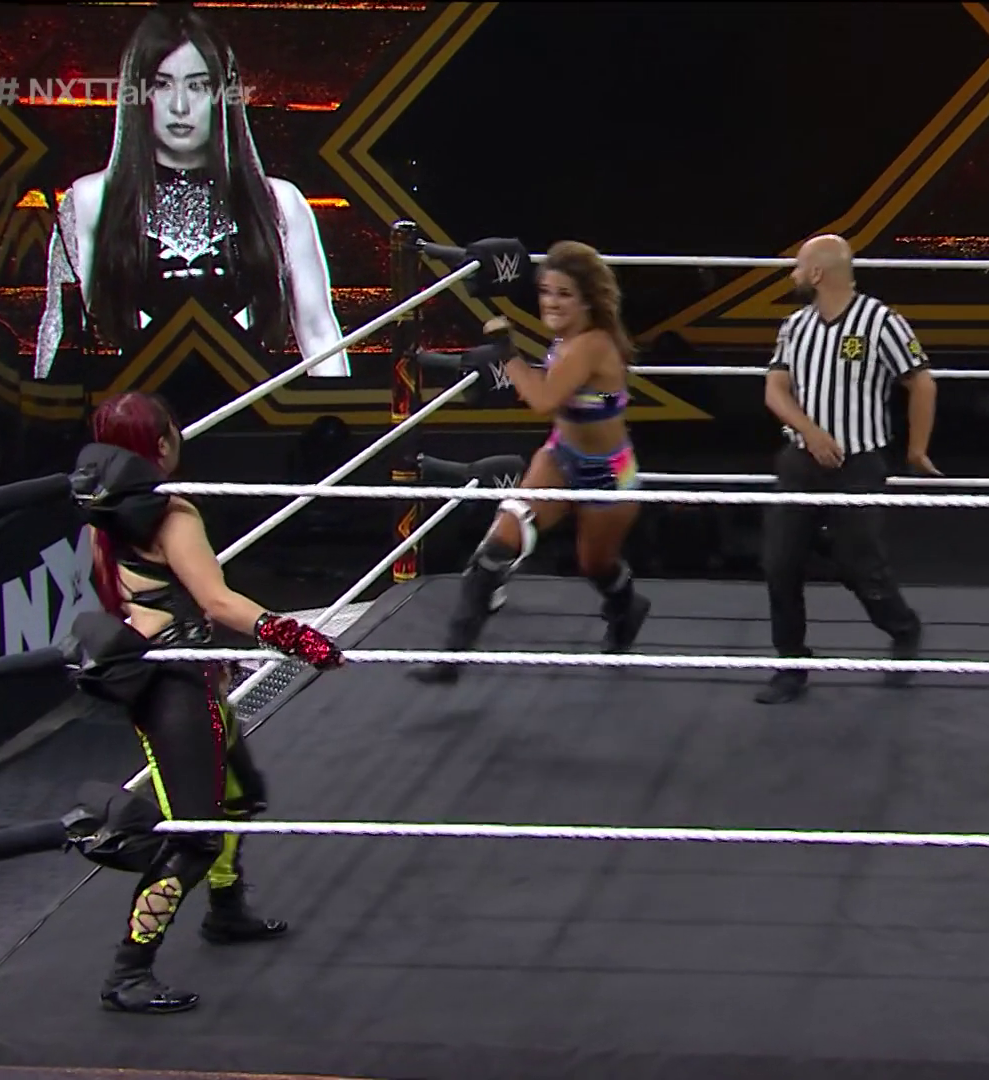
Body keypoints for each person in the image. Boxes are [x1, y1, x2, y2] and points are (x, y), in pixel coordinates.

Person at [74, 390, 344, 1014]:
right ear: (162, 444)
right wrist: (298, 637)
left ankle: (226, 908)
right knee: (195, 833)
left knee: (240, 793)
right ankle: (129, 970)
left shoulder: (98, 518)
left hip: (179, 672)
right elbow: (217, 601)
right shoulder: (172, 515)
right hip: (175, 686)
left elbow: (133, 603)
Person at [34, 4, 351, 379]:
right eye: (161, 84)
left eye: (198, 86)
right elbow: (58, 333)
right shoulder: (90, 202)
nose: (180, 106)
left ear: (223, 93)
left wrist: (338, 414)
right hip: (134, 412)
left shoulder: (280, 204)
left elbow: (319, 334)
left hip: (254, 412)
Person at [408, 241, 651, 682]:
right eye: (546, 292)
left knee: (595, 564)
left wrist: (507, 352)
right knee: (498, 546)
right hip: (561, 455)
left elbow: (542, 400)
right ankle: (451, 658)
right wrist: (513, 357)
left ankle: (627, 607)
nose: (551, 302)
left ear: (587, 300)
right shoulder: (567, 340)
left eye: (564, 294)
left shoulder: (591, 345)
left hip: (609, 471)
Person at [756, 234, 939, 705]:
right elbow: (775, 389)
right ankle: (790, 663)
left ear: (817, 273)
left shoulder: (880, 321)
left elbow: (921, 382)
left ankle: (903, 628)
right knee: (780, 561)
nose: (794, 274)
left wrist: (917, 449)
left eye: (800, 266)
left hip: (858, 462)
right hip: (800, 459)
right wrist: (810, 431)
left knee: (860, 564)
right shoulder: (795, 326)